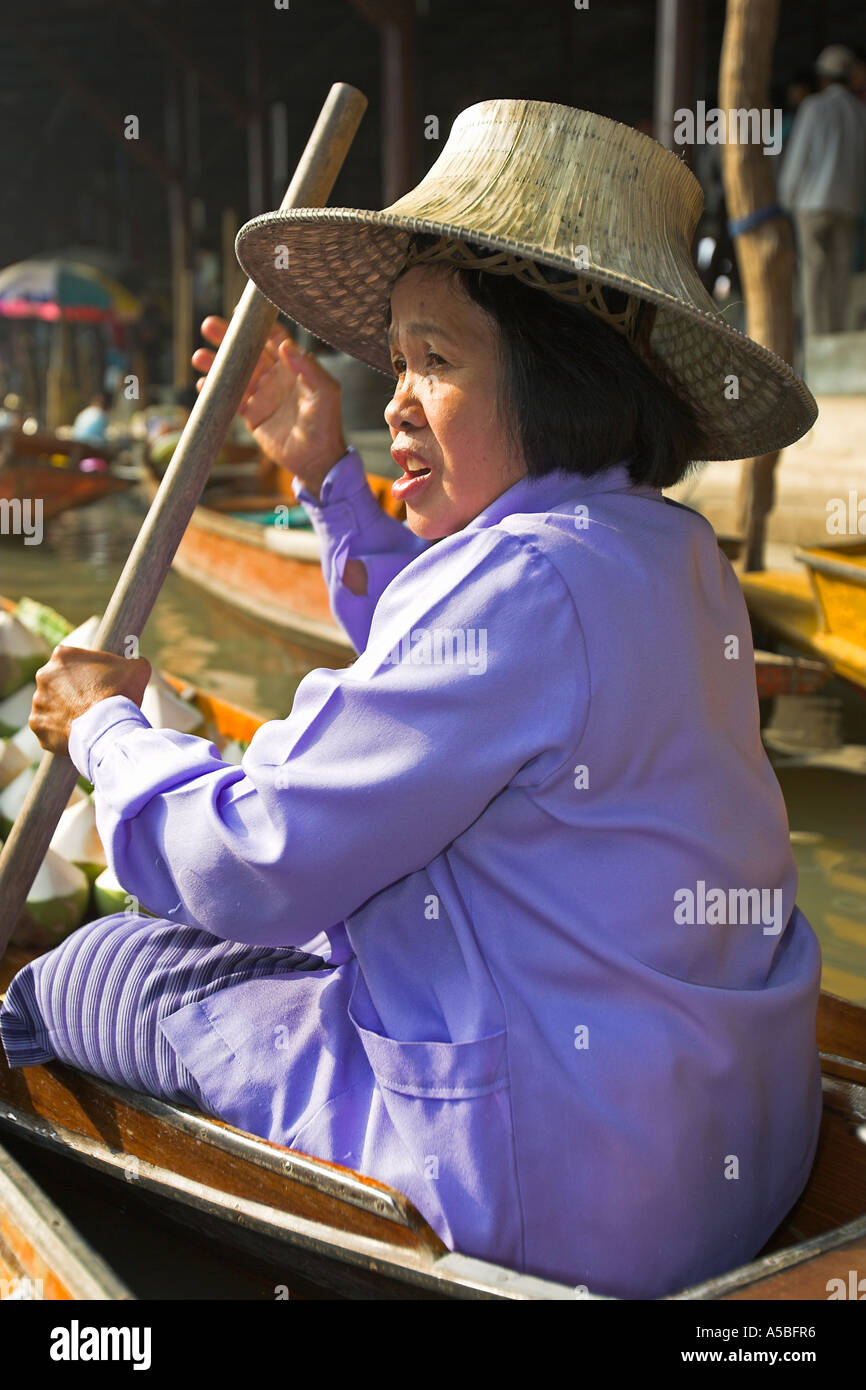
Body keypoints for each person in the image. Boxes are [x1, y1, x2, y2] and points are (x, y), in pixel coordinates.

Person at [0, 99, 823, 1299]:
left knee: (83, 975)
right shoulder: (671, 551)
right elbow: (458, 671)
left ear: (551, 380)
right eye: (394, 359)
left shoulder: (521, 578)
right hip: (737, 1157)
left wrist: (108, 733)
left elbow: (255, 864)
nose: (395, 398)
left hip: (550, 1185)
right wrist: (325, 477)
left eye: (435, 360)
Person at [778, 44, 866, 336]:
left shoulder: (814, 107)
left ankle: (817, 338)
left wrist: (786, 198)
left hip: (812, 204)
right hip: (847, 205)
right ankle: (838, 336)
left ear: (823, 77)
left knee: (813, 275)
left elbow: (799, 157)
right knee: (840, 274)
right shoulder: (859, 113)